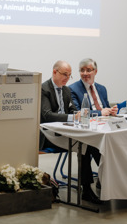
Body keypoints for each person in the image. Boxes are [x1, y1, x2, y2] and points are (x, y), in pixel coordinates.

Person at [40, 60, 103, 204]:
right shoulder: (44, 89)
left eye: (69, 75)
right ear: (54, 72)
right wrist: (72, 116)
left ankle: (102, 180)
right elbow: (47, 115)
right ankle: (86, 189)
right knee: (84, 147)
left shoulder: (66, 90)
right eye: (64, 74)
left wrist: (79, 113)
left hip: (66, 132)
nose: (67, 78)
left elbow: (73, 109)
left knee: (91, 144)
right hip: (49, 135)